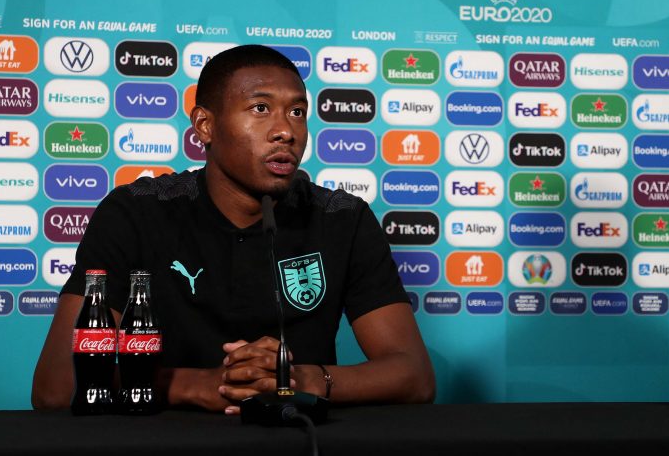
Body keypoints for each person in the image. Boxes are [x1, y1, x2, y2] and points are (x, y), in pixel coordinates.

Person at [32, 44, 435, 412]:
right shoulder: (134, 213)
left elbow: (414, 376)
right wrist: (195, 385)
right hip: (162, 451)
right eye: (261, 108)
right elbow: (56, 385)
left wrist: (304, 380)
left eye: (297, 112)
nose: (286, 131)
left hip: (299, 446)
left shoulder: (342, 217)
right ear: (204, 125)